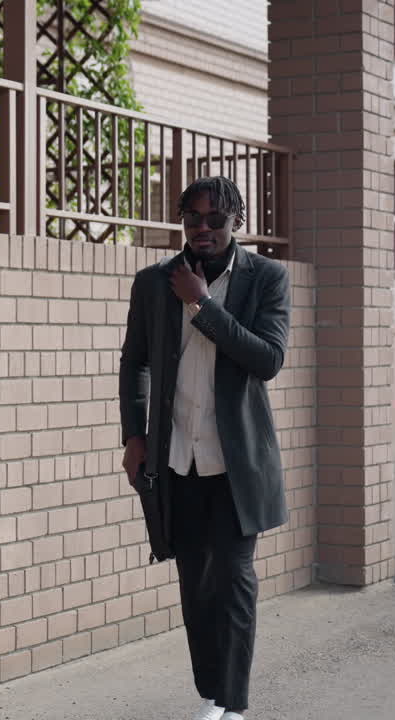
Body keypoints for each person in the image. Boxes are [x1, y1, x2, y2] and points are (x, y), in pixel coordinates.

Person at [118, 176, 291, 720]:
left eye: (215, 219)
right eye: (193, 218)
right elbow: (134, 361)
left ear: (236, 221)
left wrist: (204, 306)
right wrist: (135, 435)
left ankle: (234, 706)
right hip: (177, 460)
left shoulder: (267, 278)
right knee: (195, 584)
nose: (203, 229)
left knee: (236, 579)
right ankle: (213, 695)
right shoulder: (153, 283)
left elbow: (268, 359)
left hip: (237, 464)